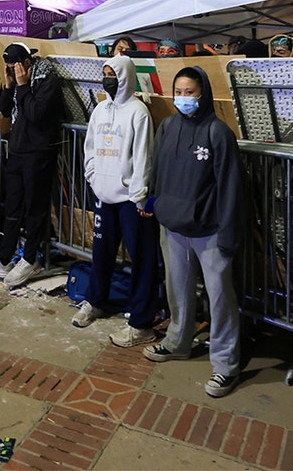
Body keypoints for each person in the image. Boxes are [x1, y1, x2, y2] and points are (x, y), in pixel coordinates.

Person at [141, 65, 246, 399]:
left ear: (203, 94)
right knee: (178, 290)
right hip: (173, 226)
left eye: (191, 92)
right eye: (180, 92)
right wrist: (153, 201)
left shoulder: (218, 133)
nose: (184, 99)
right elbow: (157, 170)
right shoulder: (168, 127)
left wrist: (229, 233)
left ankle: (226, 365)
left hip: (209, 230)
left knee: (219, 298)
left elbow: (231, 187)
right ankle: (178, 341)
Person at [73, 55, 159, 348]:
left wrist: (138, 195)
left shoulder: (139, 112)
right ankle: (95, 301)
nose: (108, 78)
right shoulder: (100, 109)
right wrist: (94, 178)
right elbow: (91, 147)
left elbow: (144, 156)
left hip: (131, 200)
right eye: (105, 72)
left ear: (125, 76)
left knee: (142, 258)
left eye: (113, 73)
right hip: (103, 195)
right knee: (101, 253)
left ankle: (141, 320)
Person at [0, 42, 63, 287]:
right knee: (12, 206)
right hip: (17, 151)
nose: (12, 71)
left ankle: (30, 259)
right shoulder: (17, 82)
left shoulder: (48, 82)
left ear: (27, 63)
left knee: (35, 207)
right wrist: (9, 87)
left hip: (38, 153)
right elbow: (5, 110)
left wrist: (22, 87)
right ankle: (4, 259)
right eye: (8, 68)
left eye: (15, 67)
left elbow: (35, 114)